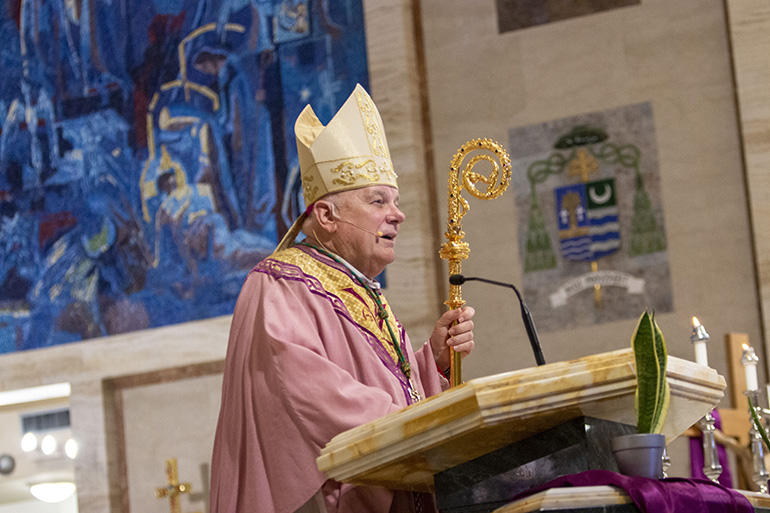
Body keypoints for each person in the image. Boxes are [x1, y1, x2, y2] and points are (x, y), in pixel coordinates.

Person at [209, 84, 476, 513]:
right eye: (378, 201)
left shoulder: (363, 291)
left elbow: (389, 391)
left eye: (396, 201)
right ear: (327, 216)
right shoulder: (279, 285)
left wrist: (436, 362)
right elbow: (311, 393)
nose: (398, 214)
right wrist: (420, 426)